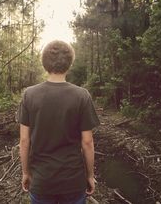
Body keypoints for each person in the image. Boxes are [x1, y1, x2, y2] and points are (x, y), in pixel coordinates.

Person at [17, 40, 99, 204]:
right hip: (73, 182)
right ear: (69, 64)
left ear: (44, 63)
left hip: (41, 181)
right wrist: (89, 176)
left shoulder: (29, 95)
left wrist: (26, 173)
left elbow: (24, 141)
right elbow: (88, 142)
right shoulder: (82, 96)